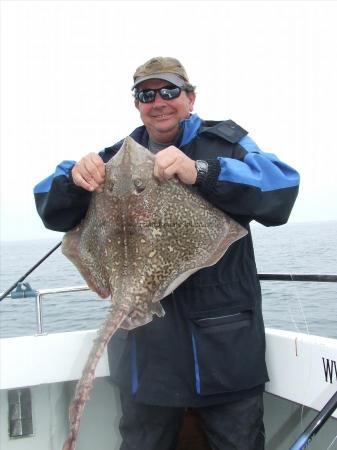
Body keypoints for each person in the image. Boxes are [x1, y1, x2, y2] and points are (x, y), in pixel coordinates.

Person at [34, 56, 300, 450]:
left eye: (170, 91)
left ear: (190, 98)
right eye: (147, 94)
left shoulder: (226, 143)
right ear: (137, 104)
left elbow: (281, 190)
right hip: (146, 353)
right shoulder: (114, 159)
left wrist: (203, 171)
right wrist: (74, 178)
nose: (158, 101)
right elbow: (50, 207)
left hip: (223, 349)